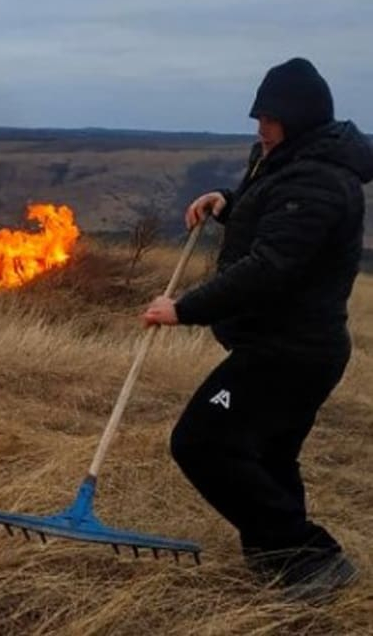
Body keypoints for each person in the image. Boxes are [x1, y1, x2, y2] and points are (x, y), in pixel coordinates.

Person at [141, 57, 373, 601]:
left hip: (288, 353)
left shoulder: (320, 180)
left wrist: (184, 309)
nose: (259, 128)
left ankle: (311, 554)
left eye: (268, 117)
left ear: (297, 116)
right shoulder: (288, 160)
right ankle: (292, 570)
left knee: (200, 442)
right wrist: (228, 203)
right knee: (269, 456)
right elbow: (269, 214)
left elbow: (271, 265)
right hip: (289, 347)